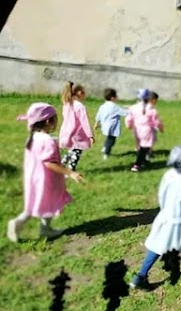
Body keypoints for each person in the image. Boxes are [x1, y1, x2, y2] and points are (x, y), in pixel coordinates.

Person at [129, 145, 181, 290]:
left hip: (165, 218)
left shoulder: (168, 174)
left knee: (157, 246)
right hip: (180, 223)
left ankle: (140, 277)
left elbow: (162, 195)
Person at [7, 103, 83, 242]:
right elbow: (49, 163)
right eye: (56, 119)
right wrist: (70, 172)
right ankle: (43, 229)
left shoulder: (33, 137)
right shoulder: (48, 141)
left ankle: (22, 224)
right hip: (47, 181)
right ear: (49, 121)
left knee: (34, 205)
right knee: (48, 203)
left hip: (33, 179)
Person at [59, 82, 94, 171]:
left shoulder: (66, 104)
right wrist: (90, 135)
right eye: (84, 93)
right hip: (77, 133)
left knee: (72, 149)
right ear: (79, 93)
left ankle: (62, 164)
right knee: (76, 152)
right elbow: (84, 122)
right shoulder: (80, 106)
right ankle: (70, 170)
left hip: (67, 131)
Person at [126, 89, 162, 172]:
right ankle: (137, 165)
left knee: (140, 147)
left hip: (137, 130)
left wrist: (129, 125)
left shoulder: (134, 107)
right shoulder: (151, 109)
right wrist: (160, 127)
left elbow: (129, 118)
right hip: (146, 131)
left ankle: (143, 161)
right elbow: (156, 121)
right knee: (144, 147)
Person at [94, 88, 129, 160]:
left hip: (105, 126)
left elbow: (98, 115)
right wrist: (133, 110)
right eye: (116, 96)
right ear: (113, 98)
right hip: (112, 127)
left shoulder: (103, 106)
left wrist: (96, 123)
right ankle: (106, 153)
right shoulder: (114, 107)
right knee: (111, 140)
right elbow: (124, 112)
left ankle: (105, 147)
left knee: (109, 138)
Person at [146, 92, 164, 161]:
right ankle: (147, 156)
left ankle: (140, 153)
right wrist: (161, 128)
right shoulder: (152, 110)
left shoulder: (140, 107)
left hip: (139, 129)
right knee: (149, 143)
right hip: (150, 130)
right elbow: (157, 122)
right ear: (153, 100)